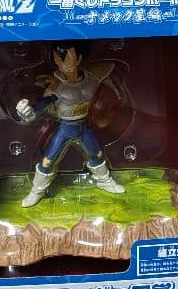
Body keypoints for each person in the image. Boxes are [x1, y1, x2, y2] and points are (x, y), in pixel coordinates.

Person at [16, 42, 125, 207]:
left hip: (83, 126)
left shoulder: (92, 78)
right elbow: (38, 108)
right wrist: (27, 113)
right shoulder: (54, 84)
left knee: (96, 154)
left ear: (79, 59)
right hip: (64, 128)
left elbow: (111, 67)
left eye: (66, 59)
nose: (62, 64)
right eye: (58, 60)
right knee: (48, 160)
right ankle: (36, 191)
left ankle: (105, 181)